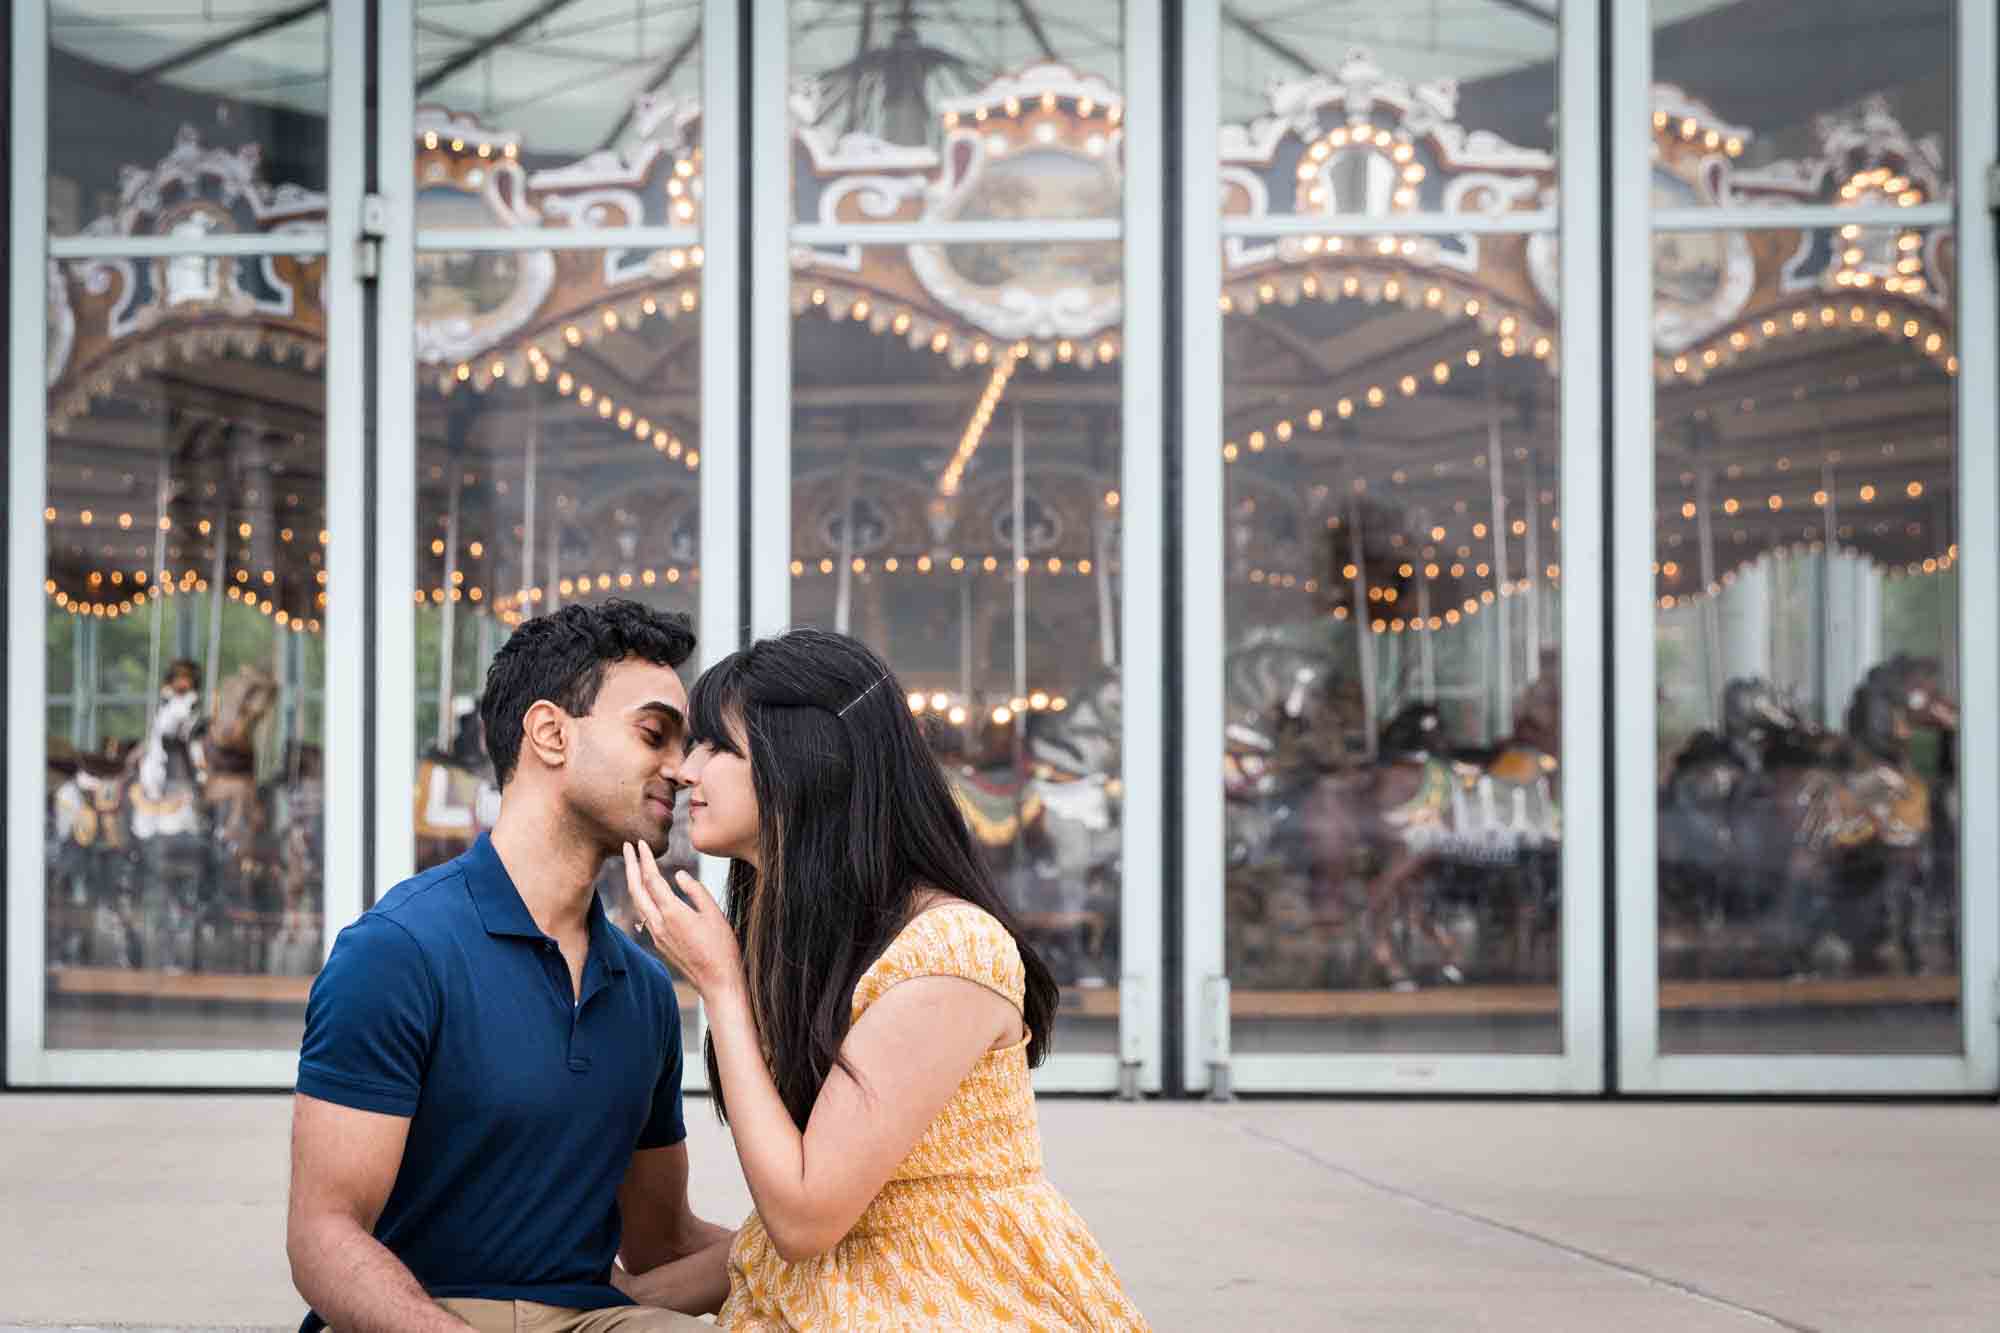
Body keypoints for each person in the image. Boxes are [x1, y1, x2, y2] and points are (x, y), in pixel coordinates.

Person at [618, 628, 1149, 1330]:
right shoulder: (815, 937)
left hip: (963, 1306)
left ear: (802, 765)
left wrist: (721, 986)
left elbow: (804, 1219)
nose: (686, 770)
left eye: (717, 746)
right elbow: (790, 1248)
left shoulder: (949, 949)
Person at [287, 600, 732, 1333]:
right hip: (423, 1313)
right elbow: (323, 1235)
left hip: (594, 1316)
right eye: (655, 733)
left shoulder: (646, 990)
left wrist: (839, 1236)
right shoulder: (397, 951)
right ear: (551, 734)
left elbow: (662, 1241)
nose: (682, 770)